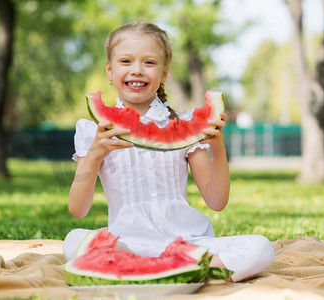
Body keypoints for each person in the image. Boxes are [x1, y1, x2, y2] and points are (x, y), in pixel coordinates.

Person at [63, 22, 274, 282]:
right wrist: (94, 155)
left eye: (149, 63)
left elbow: (217, 202)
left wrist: (218, 149)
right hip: (129, 245)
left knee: (261, 247)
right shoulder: (94, 130)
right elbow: (77, 209)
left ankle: (151, 272)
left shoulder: (184, 126)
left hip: (188, 242)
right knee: (73, 241)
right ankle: (187, 273)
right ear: (110, 70)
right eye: (126, 61)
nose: (137, 70)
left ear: (163, 73)